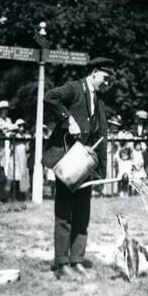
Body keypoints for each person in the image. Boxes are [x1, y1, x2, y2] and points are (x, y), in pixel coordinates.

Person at [43, 57, 114, 280]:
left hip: (86, 166)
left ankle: (77, 260)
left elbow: (101, 134)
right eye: (105, 77)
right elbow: (50, 97)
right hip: (68, 163)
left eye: (110, 79)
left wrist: (100, 170)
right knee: (64, 213)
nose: (107, 82)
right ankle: (62, 263)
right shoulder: (74, 88)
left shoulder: (99, 99)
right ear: (94, 72)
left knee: (82, 214)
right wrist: (67, 119)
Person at [7, 119, 30, 201]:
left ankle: (21, 195)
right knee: (15, 176)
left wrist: (26, 141)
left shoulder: (25, 136)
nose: (22, 127)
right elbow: (11, 146)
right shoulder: (13, 135)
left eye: (23, 126)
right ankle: (12, 195)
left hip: (22, 158)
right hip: (15, 157)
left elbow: (27, 148)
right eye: (20, 126)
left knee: (22, 176)